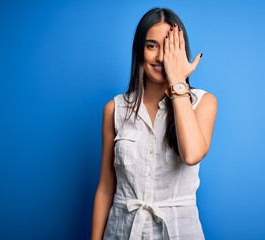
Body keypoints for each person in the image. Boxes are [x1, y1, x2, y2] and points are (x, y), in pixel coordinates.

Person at [91, 7, 217, 240]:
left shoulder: (203, 103)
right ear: (140, 50)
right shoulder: (115, 109)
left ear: (181, 50)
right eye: (152, 46)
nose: (161, 57)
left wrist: (177, 81)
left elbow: (191, 154)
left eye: (169, 46)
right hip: (121, 232)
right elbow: (106, 188)